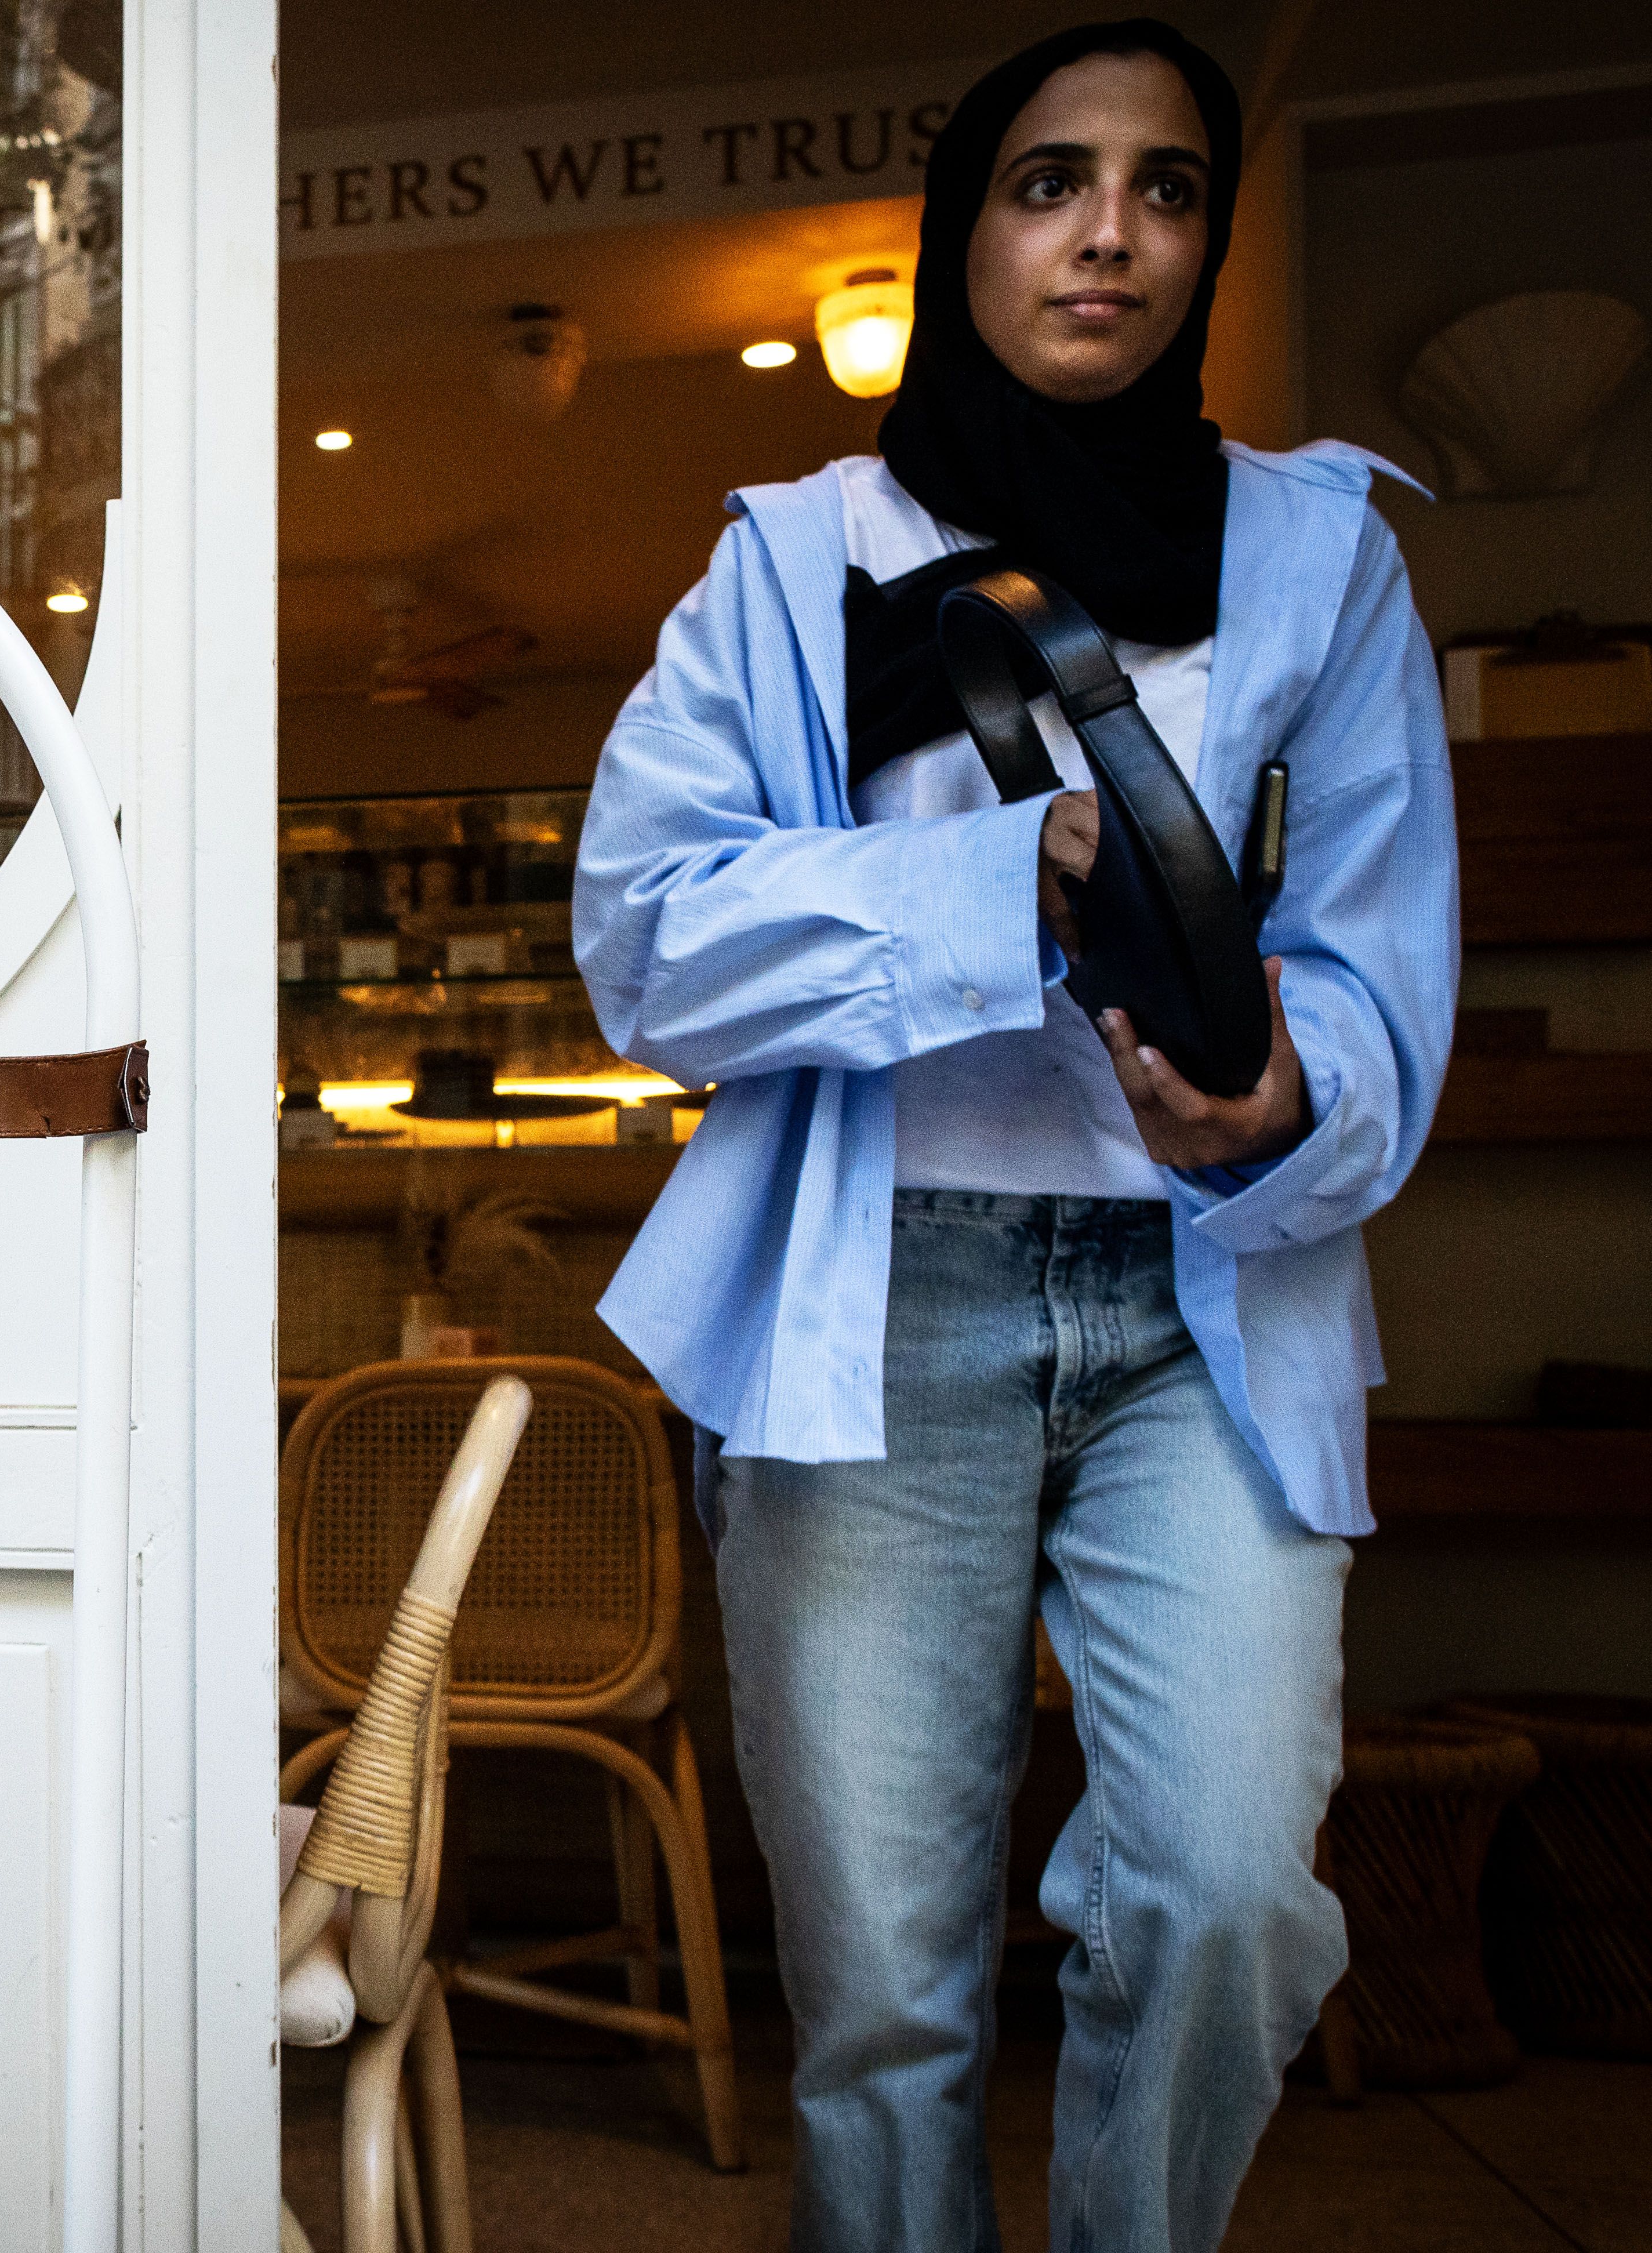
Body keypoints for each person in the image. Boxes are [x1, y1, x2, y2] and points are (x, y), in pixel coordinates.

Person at [572, 21, 1457, 2253]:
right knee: (880, 1985)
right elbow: (647, 942)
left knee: (1234, 1898)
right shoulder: (792, 565)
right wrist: (1002, 883)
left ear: (1204, 244)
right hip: (876, 1306)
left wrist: (1292, 1090)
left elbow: (1372, 954)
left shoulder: (1321, 558)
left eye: (1165, 192)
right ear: (963, 229)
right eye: (1050, 181)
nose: (1107, 233)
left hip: (1206, 1306)